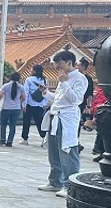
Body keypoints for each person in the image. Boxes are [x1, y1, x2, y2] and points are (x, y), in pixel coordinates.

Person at [38, 50, 88, 198]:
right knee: (53, 151)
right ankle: (55, 181)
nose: (57, 68)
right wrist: (46, 93)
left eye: (59, 64)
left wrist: (65, 83)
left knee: (67, 151)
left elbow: (75, 100)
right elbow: (59, 99)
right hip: (56, 116)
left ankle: (69, 185)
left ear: (69, 62)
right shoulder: (62, 79)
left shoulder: (80, 78)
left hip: (67, 118)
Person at [20, 64, 48, 146]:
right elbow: (46, 93)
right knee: (40, 122)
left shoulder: (29, 80)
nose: (30, 71)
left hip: (30, 104)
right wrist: (44, 104)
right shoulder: (45, 80)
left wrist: (24, 104)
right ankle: (43, 138)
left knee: (26, 122)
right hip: (40, 105)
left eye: (31, 69)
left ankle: (25, 139)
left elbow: (26, 92)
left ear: (34, 71)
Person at [0, 72, 24, 147]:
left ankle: (2, 139)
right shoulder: (21, 87)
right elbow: (23, 97)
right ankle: (10, 141)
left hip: (6, 107)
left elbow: (0, 95)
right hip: (16, 108)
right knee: (12, 125)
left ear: (10, 77)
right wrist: (19, 102)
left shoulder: (5, 86)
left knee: (3, 124)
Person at [89, 86, 108, 162]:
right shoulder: (101, 88)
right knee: (101, 133)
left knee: (104, 134)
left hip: (104, 111)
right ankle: (101, 152)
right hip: (100, 110)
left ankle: (103, 152)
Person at [78, 57, 95, 142]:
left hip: (81, 102)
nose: (77, 66)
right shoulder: (74, 76)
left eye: (79, 65)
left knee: (77, 120)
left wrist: (88, 106)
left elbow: (89, 93)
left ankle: (75, 139)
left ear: (84, 66)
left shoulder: (88, 78)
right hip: (73, 102)